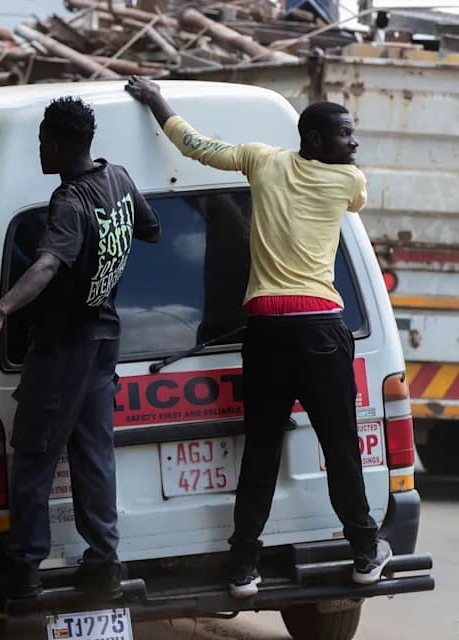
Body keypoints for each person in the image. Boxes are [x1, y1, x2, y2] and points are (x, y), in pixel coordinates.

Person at [125, 76, 392, 598]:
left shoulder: (261, 162)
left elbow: (194, 145)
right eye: (345, 134)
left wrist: (156, 99)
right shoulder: (348, 183)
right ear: (315, 141)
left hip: (265, 333)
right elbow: (353, 196)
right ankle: (365, 552)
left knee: (262, 449)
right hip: (319, 330)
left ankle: (243, 566)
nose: (353, 143)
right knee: (340, 447)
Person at [0, 96, 161, 600]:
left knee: (33, 456)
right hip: (103, 342)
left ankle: (24, 569)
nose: (39, 151)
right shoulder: (117, 177)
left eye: (41, 143)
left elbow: (47, 265)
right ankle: (103, 566)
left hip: (65, 348)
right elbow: (152, 230)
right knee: (94, 456)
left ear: (57, 144)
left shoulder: (70, 202)